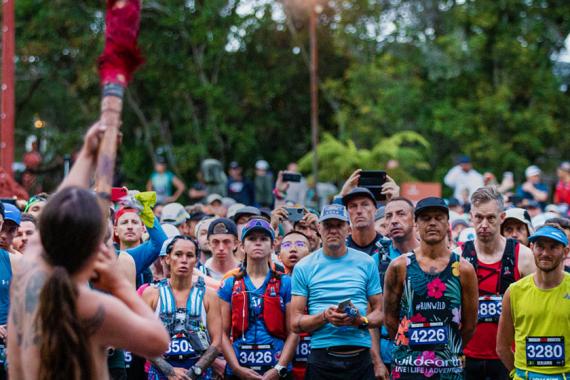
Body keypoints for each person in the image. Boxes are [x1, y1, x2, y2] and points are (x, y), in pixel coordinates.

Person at [7, 122, 169, 380]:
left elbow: (55, 212)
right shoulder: (89, 306)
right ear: (96, 250)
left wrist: (88, 152)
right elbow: (159, 342)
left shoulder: (28, 277)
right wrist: (117, 284)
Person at [383, 197, 479, 379]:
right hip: (408, 366)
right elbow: (389, 319)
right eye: (426, 218)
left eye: (438, 217)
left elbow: (470, 325)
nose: (432, 223)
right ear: (416, 224)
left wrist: (449, 349)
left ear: (447, 223)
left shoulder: (463, 269)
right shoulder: (399, 266)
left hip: (448, 367)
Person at [290, 204, 385, 380]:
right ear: (319, 228)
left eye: (338, 225)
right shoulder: (304, 267)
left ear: (349, 229)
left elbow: (380, 313)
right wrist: (324, 316)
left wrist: (360, 321)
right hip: (322, 358)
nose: (333, 230)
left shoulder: (366, 262)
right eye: (328, 225)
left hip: (360, 357)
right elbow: (295, 323)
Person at [459, 187, 536, 380]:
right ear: (471, 217)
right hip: (467, 356)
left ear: (501, 217)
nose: (484, 224)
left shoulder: (524, 257)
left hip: (510, 357)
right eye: (479, 217)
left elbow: (536, 309)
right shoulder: (458, 256)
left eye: (491, 218)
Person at [219, 218, 297, 379]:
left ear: (273, 244)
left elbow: (294, 331)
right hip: (239, 367)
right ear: (241, 246)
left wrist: (279, 369)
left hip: (276, 366)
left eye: (264, 239)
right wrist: (236, 368)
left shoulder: (286, 283)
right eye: (252, 239)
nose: (258, 243)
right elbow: (222, 334)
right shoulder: (230, 284)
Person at [143, 236, 222, 380]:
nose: (184, 260)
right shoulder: (152, 293)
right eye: (178, 254)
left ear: (196, 260)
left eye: (189, 255)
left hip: (199, 372)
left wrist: (194, 372)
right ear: (167, 258)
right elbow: (141, 339)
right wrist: (169, 371)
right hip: (161, 372)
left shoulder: (209, 295)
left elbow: (217, 343)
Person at [496, 225, 570, 379]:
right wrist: (519, 374)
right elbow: (502, 346)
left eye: (553, 247)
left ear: (565, 252)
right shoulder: (514, 291)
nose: (545, 253)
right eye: (540, 247)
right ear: (531, 248)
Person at [372, 197, 420, 371]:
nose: (394, 220)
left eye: (401, 214)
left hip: (427, 354)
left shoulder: (431, 255)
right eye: (389, 216)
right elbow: (371, 315)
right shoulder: (376, 261)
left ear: (415, 220)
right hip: (387, 354)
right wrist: (377, 362)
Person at [339, 169, 399, 255]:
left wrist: (395, 201)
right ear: (347, 211)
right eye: (353, 206)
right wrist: (341, 195)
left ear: (375, 210)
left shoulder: (389, 246)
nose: (359, 211)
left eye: (365, 205)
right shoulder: (340, 247)